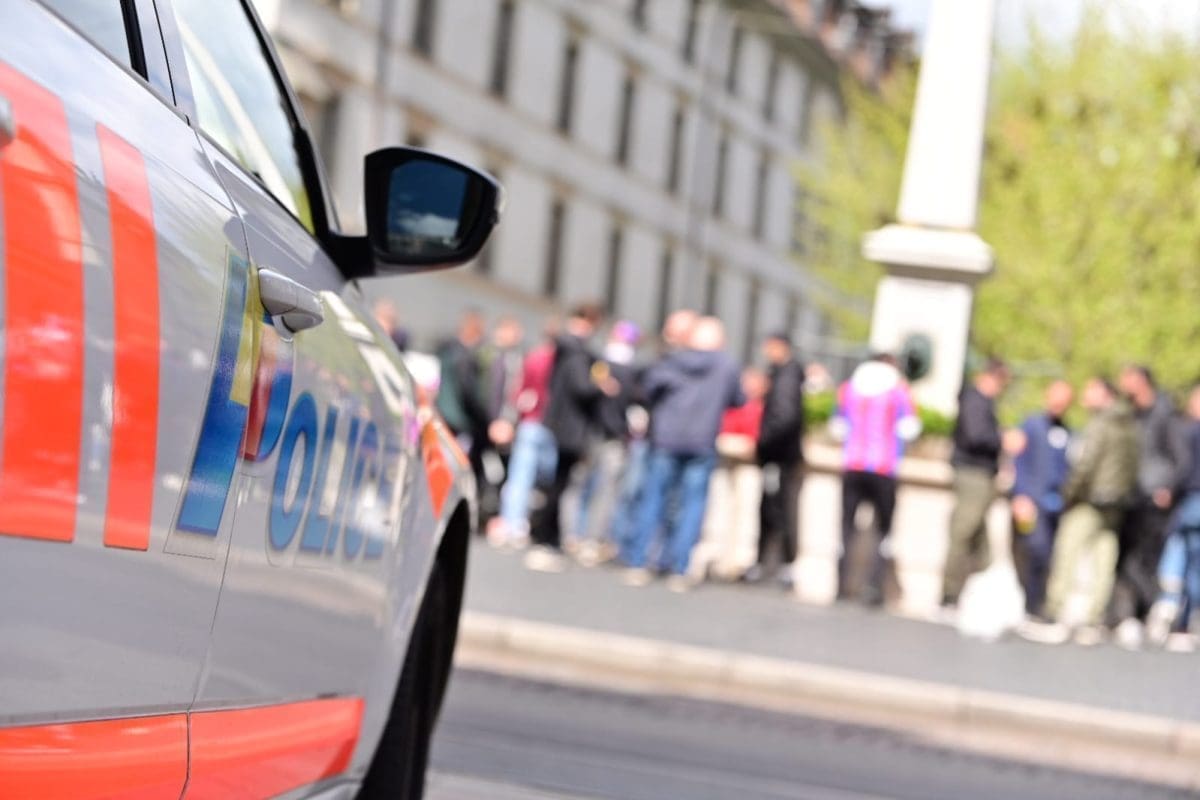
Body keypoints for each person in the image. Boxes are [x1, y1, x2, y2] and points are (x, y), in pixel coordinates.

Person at [622, 317, 744, 591]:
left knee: (653, 499)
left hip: (666, 437)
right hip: (702, 440)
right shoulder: (726, 365)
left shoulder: (673, 360)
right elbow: (738, 399)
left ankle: (640, 561)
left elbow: (647, 390)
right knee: (692, 505)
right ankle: (680, 567)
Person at [1034, 378, 1138, 644]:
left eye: (1091, 390)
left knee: (1068, 552)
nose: (1084, 396)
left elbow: (1085, 464)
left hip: (1090, 501)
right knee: (1103, 559)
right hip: (1116, 503)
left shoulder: (1100, 424)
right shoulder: (1130, 424)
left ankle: (1054, 613)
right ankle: (1093, 619)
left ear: (1104, 394)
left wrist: (1069, 494)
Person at [525, 304, 615, 573]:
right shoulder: (577, 354)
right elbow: (581, 388)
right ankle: (546, 537)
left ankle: (548, 536)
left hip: (561, 426)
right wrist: (600, 386)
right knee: (558, 486)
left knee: (556, 484)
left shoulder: (567, 350)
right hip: (570, 429)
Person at [831, 354, 921, 606]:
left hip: (853, 464)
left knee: (846, 528)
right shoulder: (898, 392)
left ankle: (841, 585)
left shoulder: (849, 388)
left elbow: (838, 426)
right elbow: (910, 428)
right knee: (883, 531)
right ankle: (873, 587)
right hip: (884, 467)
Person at [1111, 365, 1189, 648]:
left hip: (1155, 497)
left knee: (1147, 559)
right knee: (1126, 557)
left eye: (1128, 379)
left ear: (1142, 382)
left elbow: (1181, 457)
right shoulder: (1129, 414)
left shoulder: (1165, 414)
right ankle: (1129, 615)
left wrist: (1168, 488)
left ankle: (1150, 613)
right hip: (1131, 495)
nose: (1123, 384)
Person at [609, 310, 695, 557]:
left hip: (668, 437)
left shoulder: (677, 363)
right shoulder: (661, 361)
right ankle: (627, 545)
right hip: (655, 435)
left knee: (660, 498)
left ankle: (644, 551)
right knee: (637, 492)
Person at [568, 321, 641, 566]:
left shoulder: (600, 363)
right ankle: (590, 538)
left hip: (594, 432)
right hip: (610, 435)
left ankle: (575, 535)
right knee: (604, 490)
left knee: (584, 485)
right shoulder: (630, 370)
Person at [941, 358, 1010, 610]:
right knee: (964, 530)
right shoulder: (975, 400)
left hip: (981, 474)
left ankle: (979, 595)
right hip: (973, 472)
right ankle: (949, 594)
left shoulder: (982, 402)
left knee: (981, 540)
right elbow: (976, 435)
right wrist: (1002, 439)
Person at [691, 367, 768, 582]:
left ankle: (740, 561)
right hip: (725, 459)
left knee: (745, 512)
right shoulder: (732, 405)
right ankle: (713, 554)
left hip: (750, 462)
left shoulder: (761, 408)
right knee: (718, 508)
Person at [744, 333, 806, 588]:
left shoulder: (786, 376)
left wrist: (763, 441)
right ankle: (775, 564)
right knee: (774, 509)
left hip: (779, 456)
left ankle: (777, 566)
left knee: (776, 510)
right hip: (780, 455)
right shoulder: (784, 374)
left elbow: (784, 417)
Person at [1009, 380, 1074, 619]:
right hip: (1032, 500)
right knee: (1034, 550)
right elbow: (1019, 462)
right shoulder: (1032, 425)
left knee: (1048, 555)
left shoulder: (1067, 432)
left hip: (1054, 504)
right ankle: (1030, 602)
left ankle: (1037, 603)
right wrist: (1020, 494)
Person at [490, 320, 557, 549]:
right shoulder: (552, 361)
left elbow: (518, 392)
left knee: (521, 477)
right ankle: (518, 523)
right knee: (537, 479)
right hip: (543, 424)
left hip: (530, 422)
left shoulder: (533, 357)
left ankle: (513, 522)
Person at [1146, 385, 1200, 647]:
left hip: (1191, 503)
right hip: (1191, 503)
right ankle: (1185, 619)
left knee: (1183, 559)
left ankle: (1178, 617)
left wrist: (1170, 489)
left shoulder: (1190, 432)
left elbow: (1183, 466)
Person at [435, 310, 490, 476]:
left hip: (441, 415)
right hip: (459, 420)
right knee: (454, 470)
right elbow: (468, 392)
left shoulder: (447, 349)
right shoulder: (466, 357)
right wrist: (484, 418)